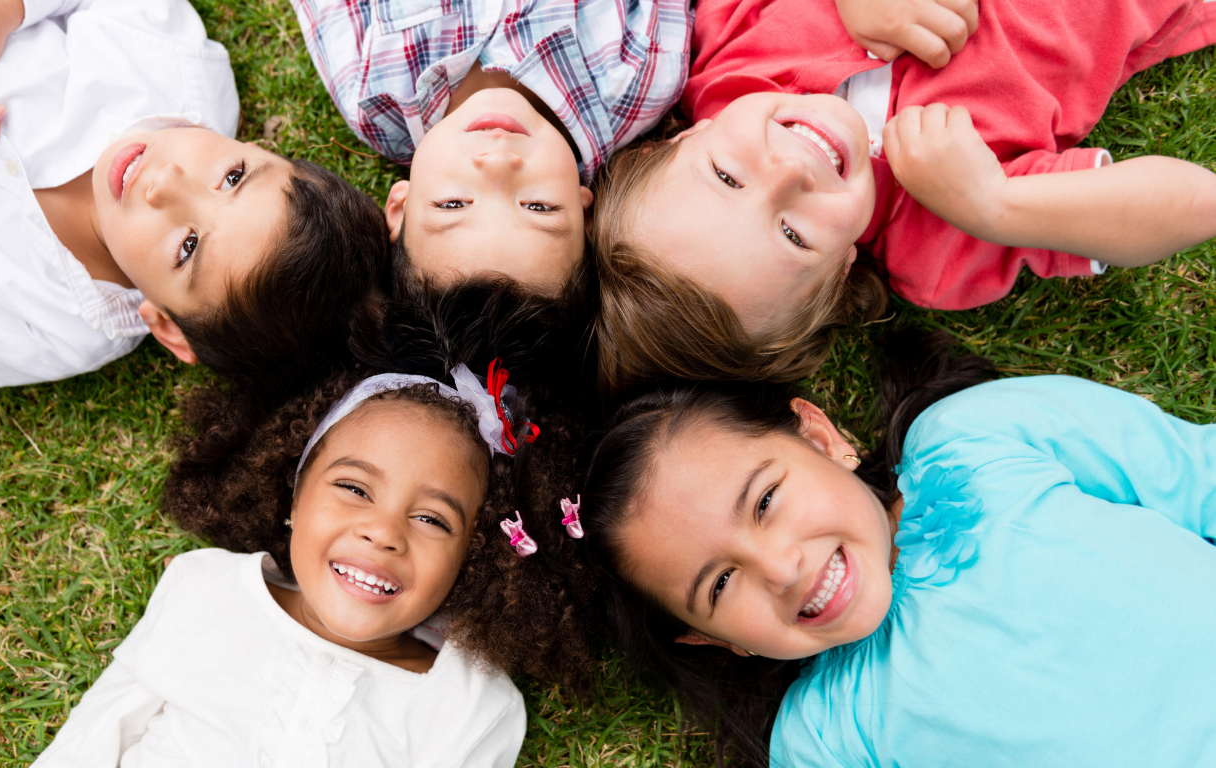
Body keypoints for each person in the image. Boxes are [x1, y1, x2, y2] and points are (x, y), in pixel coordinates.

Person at [572, 333, 1216, 766]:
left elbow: (1198, 476)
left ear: (822, 439)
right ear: (714, 640)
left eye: (765, 502)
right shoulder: (823, 740)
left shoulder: (976, 441)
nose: (781, 569)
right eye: (719, 585)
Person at [588, 0, 1216, 392]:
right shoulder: (937, 242)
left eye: (727, 176)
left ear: (675, 139)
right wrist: (993, 205)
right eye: (793, 234)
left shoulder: (726, 54)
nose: (790, 173)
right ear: (838, 275)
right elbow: (1195, 204)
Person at [32, 360, 594, 765]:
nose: (383, 532)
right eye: (354, 487)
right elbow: (95, 735)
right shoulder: (206, 590)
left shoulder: (469, 705)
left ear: (472, 560)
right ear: (293, 497)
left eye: (431, 520)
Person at [0, 0, 387, 389]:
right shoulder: (178, 71)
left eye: (188, 247)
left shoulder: (65, 328)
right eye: (232, 177)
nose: (165, 183)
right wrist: (5, 8)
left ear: (166, 326)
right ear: (260, 148)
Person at [289, 0, 978, 298]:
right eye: (536, 205)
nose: (497, 163)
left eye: (454, 203)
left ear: (399, 205)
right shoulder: (640, 76)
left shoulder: (372, 90)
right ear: (583, 202)